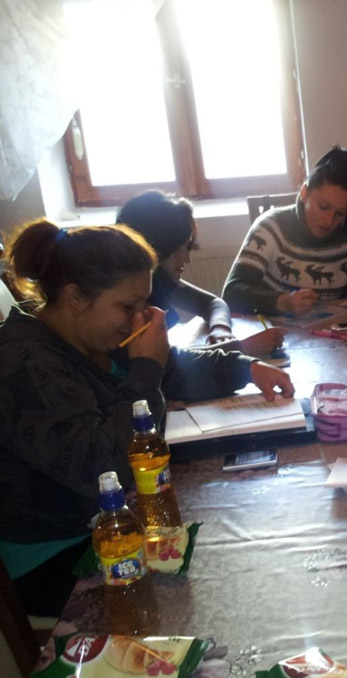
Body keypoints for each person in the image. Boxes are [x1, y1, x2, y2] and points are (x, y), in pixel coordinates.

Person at [0, 220, 294, 616]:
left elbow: (173, 369)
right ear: (74, 298)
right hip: (55, 558)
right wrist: (145, 373)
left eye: (144, 304)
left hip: (108, 522)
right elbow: (104, 467)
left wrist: (245, 367)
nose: (139, 318)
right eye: (128, 306)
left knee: (244, 536)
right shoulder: (24, 365)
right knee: (225, 580)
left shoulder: (86, 332)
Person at [117, 190, 284, 357]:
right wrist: (239, 348)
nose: (186, 258)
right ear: (151, 250)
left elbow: (213, 303)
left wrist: (220, 328)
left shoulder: (161, 282)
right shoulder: (130, 305)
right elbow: (162, 361)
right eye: (177, 250)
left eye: (187, 248)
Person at [223, 147, 347, 315]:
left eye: (340, 214)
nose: (328, 221)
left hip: (331, 329)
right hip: (273, 329)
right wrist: (283, 302)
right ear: (304, 193)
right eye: (323, 207)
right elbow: (231, 293)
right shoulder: (271, 227)